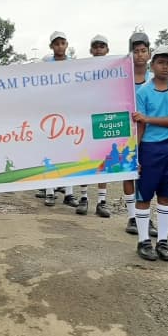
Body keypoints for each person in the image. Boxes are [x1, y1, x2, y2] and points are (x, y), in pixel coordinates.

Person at [133, 45, 168, 261]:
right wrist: (135, 155)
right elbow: (139, 126)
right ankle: (143, 241)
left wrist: (148, 119)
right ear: (153, 64)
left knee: (167, 196)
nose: (165, 67)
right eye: (161, 62)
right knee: (144, 195)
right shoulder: (143, 92)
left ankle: (163, 242)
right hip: (149, 149)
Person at [124, 31, 157, 237]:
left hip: (149, 133)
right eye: (136, 51)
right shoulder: (123, 77)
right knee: (128, 171)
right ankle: (132, 217)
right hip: (126, 131)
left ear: (149, 53)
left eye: (143, 51)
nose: (140, 55)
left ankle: (144, 216)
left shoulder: (154, 79)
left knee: (146, 175)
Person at [75, 35, 112, 217]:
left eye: (102, 46)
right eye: (95, 47)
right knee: (85, 161)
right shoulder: (83, 70)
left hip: (104, 121)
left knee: (103, 162)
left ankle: (101, 201)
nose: (98, 50)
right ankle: (83, 198)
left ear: (107, 50)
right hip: (86, 121)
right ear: (91, 50)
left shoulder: (115, 70)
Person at [41, 31, 78, 208]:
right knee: (50, 152)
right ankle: (49, 192)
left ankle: (69, 193)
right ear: (51, 46)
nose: (60, 46)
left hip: (69, 113)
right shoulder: (45, 65)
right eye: (56, 43)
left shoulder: (74, 65)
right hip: (50, 114)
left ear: (66, 44)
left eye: (62, 43)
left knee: (70, 152)